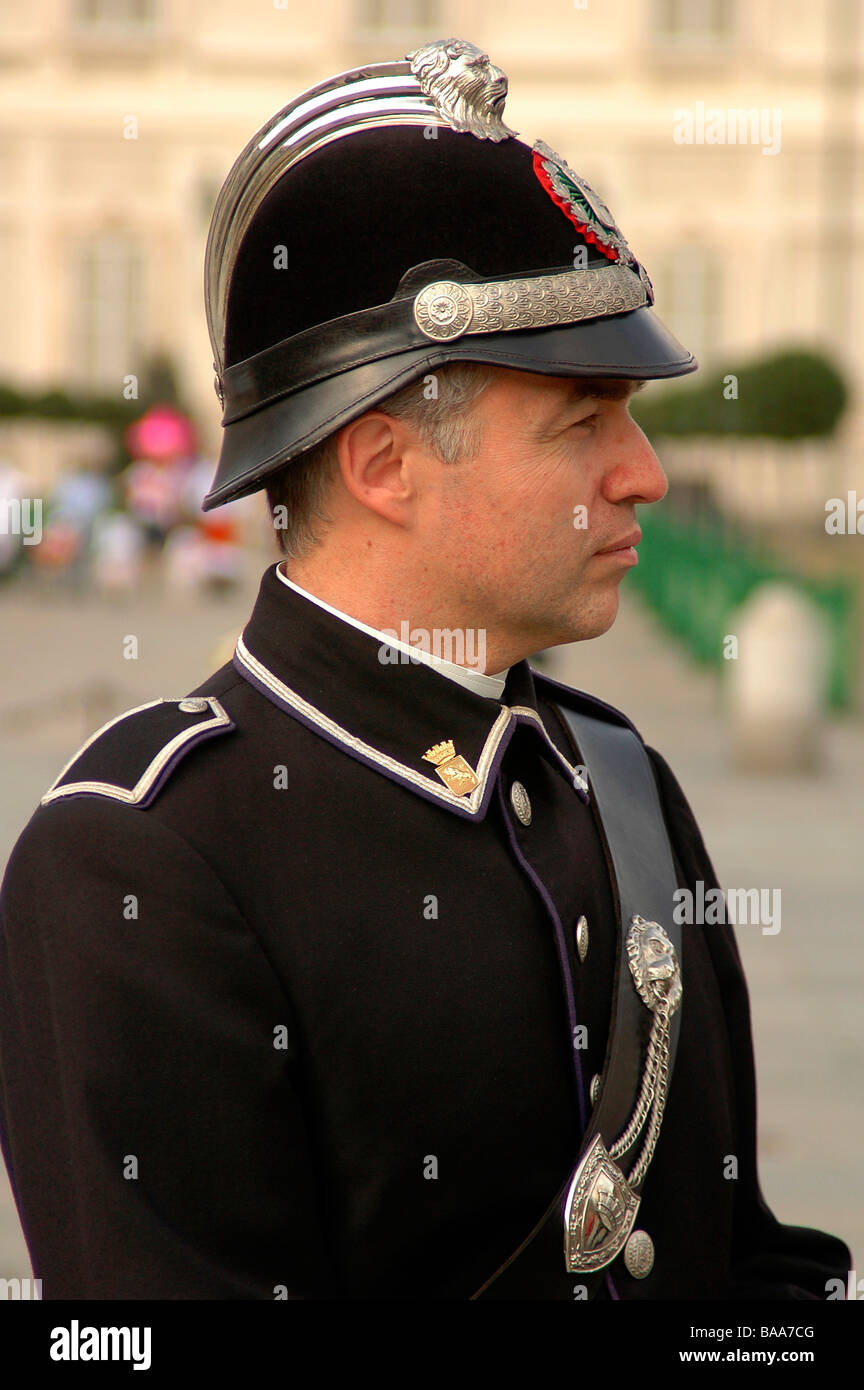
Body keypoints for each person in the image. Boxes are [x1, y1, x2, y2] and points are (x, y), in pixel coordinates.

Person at [0, 38, 850, 1300]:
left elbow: (744, 1273)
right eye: (583, 421)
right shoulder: (143, 859)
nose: (646, 473)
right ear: (384, 464)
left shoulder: (619, 783)